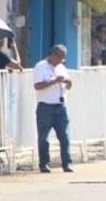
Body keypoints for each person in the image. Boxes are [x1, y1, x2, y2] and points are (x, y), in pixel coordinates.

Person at [33, 44, 74, 173]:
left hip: (60, 106)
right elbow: (37, 86)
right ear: (53, 55)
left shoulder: (61, 67)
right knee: (43, 137)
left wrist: (68, 83)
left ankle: (67, 163)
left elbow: (69, 85)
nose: (60, 61)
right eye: (59, 57)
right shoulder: (41, 67)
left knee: (64, 136)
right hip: (46, 106)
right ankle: (44, 163)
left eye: (63, 58)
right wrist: (54, 81)